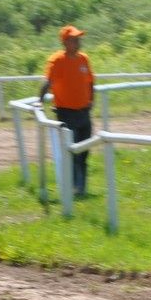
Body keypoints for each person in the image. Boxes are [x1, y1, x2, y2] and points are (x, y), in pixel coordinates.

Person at [39, 25, 96, 197]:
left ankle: (81, 188)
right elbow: (47, 82)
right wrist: (39, 101)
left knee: (84, 152)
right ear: (65, 42)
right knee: (70, 152)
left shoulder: (83, 59)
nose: (78, 42)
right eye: (74, 39)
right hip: (66, 113)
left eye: (79, 38)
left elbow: (90, 82)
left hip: (84, 112)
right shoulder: (57, 60)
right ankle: (71, 189)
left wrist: (91, 100)